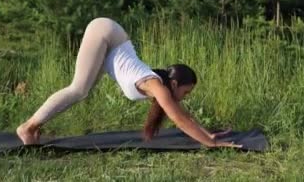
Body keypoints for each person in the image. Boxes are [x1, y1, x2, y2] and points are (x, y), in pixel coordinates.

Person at [17, 17, 240, 148]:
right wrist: (212, 144)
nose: (185, 97)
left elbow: (184, 115)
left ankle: (34, 128)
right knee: (77, 88)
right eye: (186, 92)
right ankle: (27, 128)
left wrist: (208, 134)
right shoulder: (156, 86)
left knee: (81, 92)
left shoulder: (160, 87)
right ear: (174, 84)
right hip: (106, 32)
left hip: (111, 42)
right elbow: (180, 120)